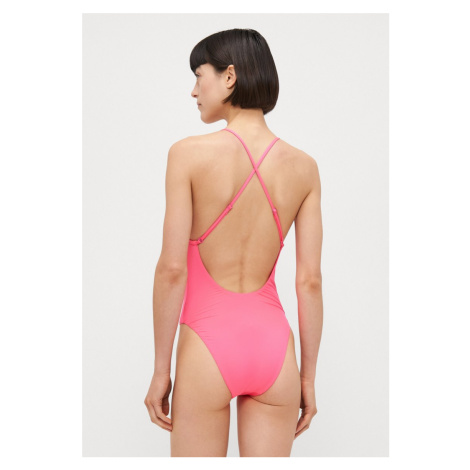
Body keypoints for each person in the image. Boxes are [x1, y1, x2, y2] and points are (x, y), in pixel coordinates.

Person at [144, 28, 323, 457]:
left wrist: (161, 369)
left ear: (229, 76)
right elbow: (310, 282)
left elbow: (172, 269)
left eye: (198, 76)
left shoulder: (186, 154)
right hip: (274, 350)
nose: (194, 91)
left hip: (206, 346)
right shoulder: (305, 167)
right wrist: (306, 378)